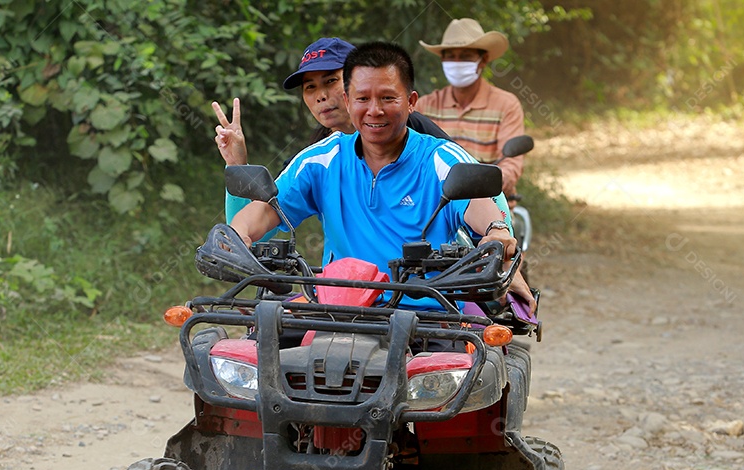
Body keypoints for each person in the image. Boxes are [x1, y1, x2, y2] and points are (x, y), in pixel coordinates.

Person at [228, 41, 532, 311]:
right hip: (337, 312)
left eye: (388, 98)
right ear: (348, 101)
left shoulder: (440, 157)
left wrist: (497, 233)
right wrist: (236, 236)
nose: (374, 110)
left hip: (428, 315)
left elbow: (480, 202)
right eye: (362, 99)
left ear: (411, 102)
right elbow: (265, 210)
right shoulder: (319, 160)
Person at [213, 37, 452, 225]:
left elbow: (468, 193)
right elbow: (253, 226)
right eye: (310, 87)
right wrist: (237, 167)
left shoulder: (416, 133)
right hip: (350, 279)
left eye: (330, 81)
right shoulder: (315, 159)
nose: (321, 96)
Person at [416, 19, 526, 198]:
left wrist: (495, 181)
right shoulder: (425, 106)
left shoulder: (506, 105)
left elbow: (510, 165)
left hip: (490, 203)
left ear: (483, 60)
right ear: (443, 60)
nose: (457, 62)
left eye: (466, 56)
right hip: (437, 205)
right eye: (451, 56)